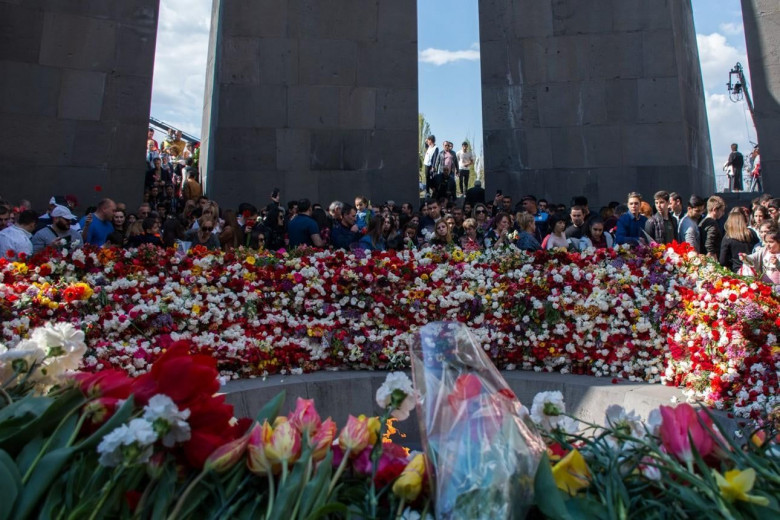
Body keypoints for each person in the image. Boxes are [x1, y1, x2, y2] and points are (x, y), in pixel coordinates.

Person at [719, 208, 759, 273]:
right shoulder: (752, 233)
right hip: (753, 269)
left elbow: (722, 261)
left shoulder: (728, 237)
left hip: (737, 271)